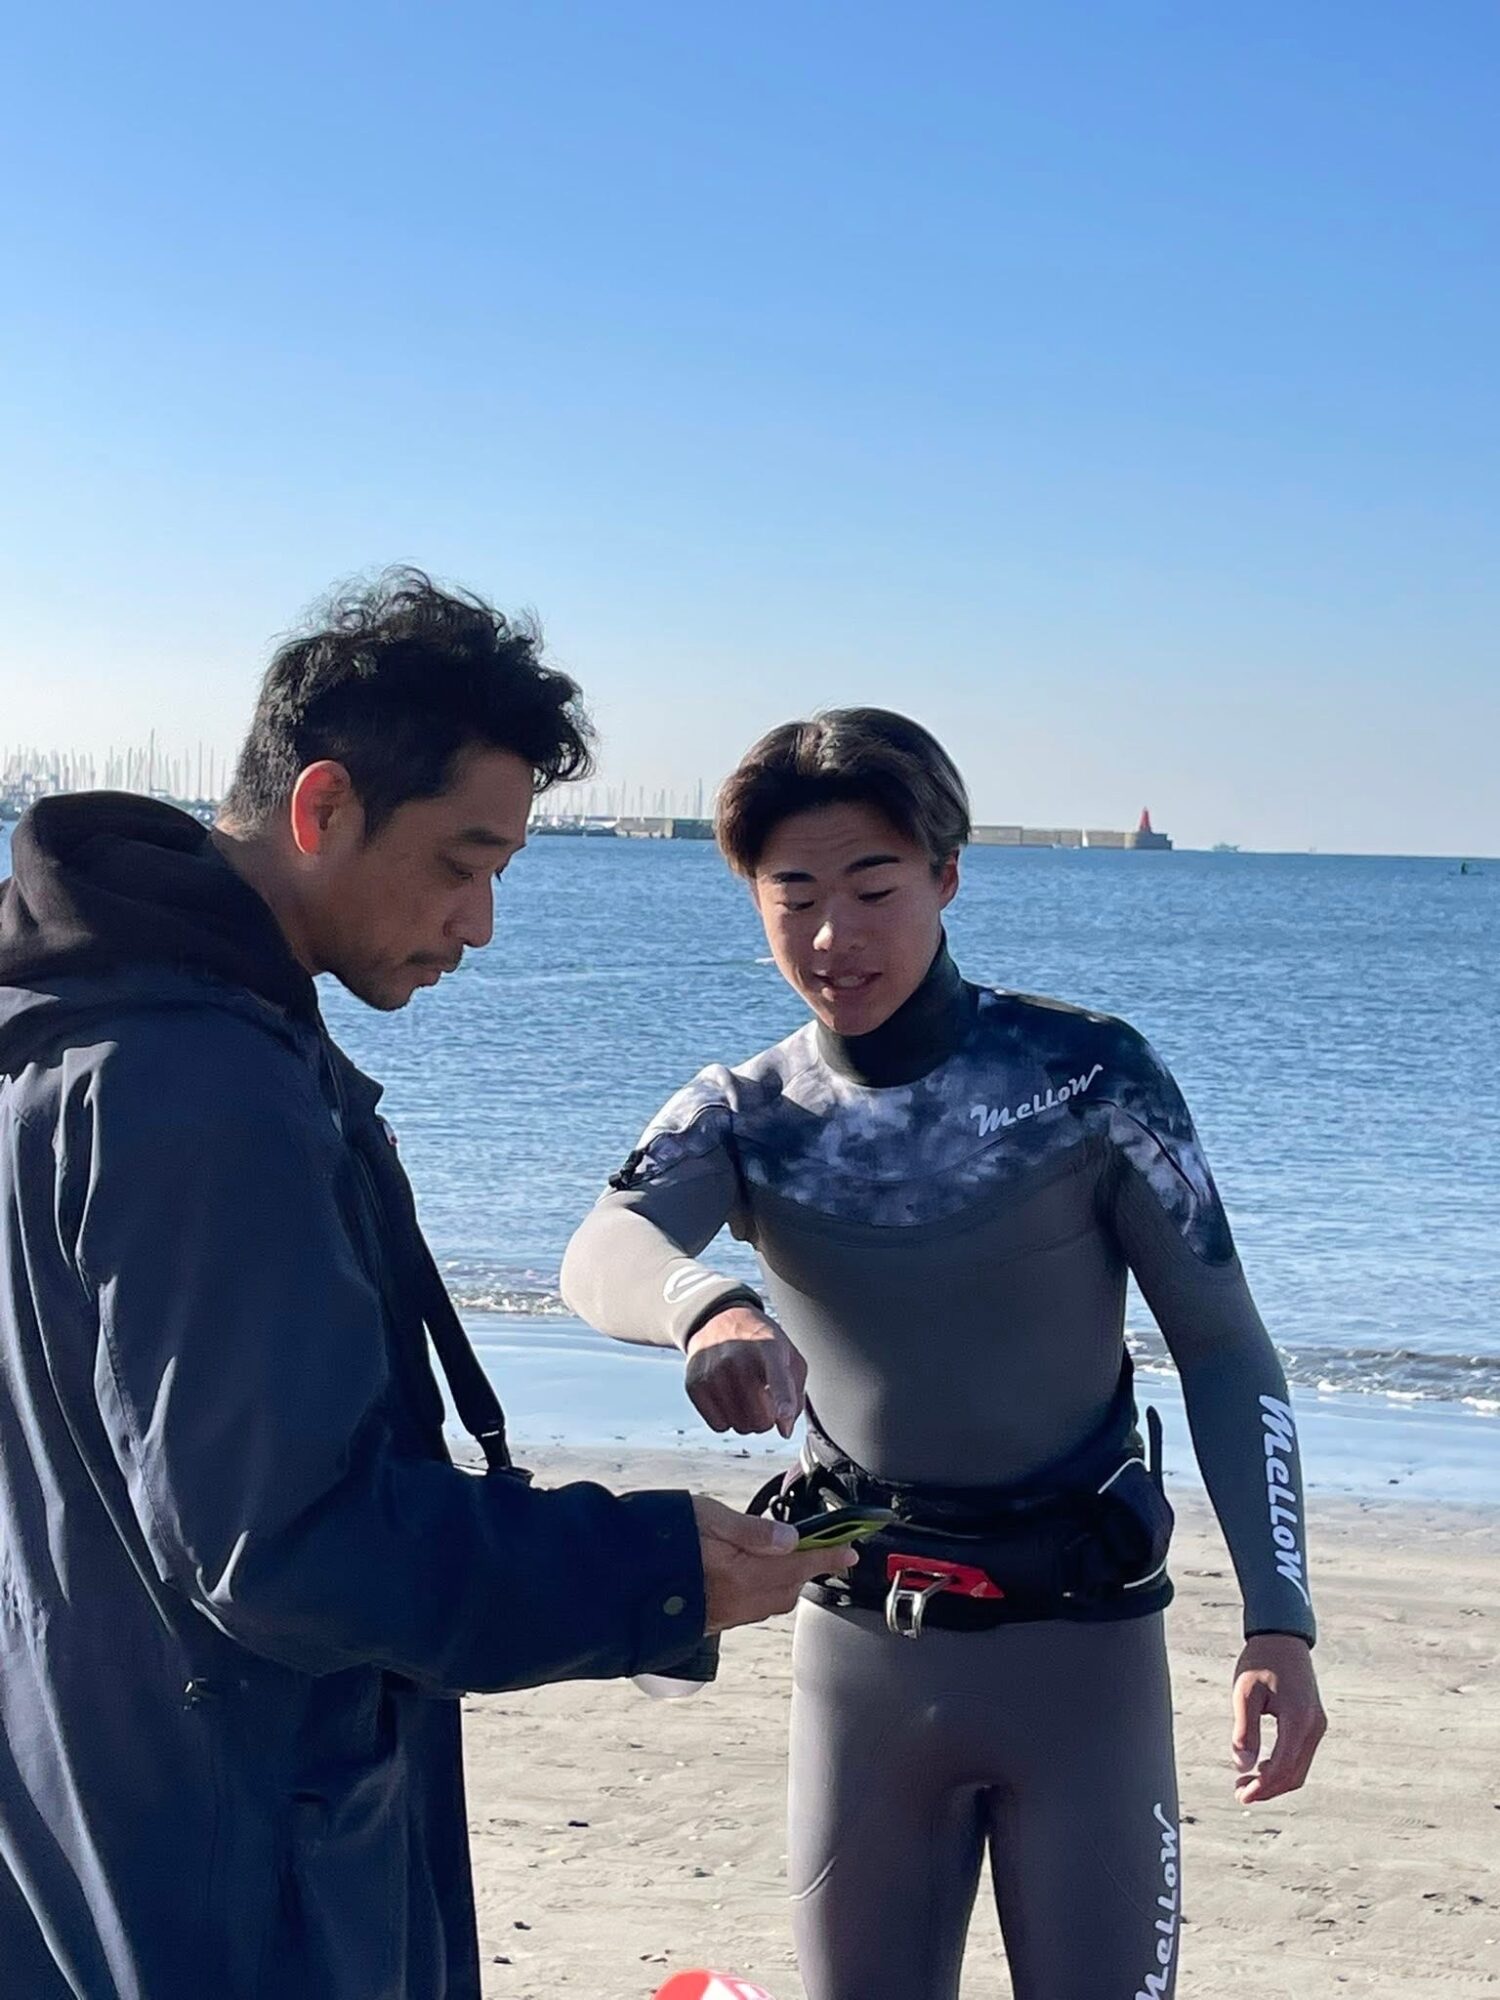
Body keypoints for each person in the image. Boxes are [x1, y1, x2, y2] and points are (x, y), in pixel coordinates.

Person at [0, 570, 844, 2000]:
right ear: (322, 807)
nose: (482, 921)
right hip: (230, 1872)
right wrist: (644, 1574)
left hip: (89, 1814)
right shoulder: (199, 1086)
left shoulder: (72, 1025)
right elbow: (284, 1549)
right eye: (463, 861)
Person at [561, 708, 1328, 2000]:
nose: (832, 936)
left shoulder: (1091, 1080)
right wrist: (711, 1310)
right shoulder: (750, 1113)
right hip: (863, 1651)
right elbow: (603, 1247)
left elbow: (1224, 1349)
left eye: (874, 889)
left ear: (948, 876)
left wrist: (1280, 1622)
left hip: (1083, 1655)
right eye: (794, 896)